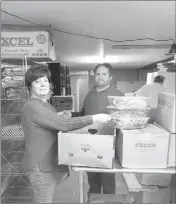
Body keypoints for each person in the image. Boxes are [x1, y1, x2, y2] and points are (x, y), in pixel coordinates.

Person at [21, 65, 111, 203]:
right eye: (37, 81)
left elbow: (52, 121)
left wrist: (60, 115)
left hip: (48, 162)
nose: (43, 84)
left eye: (45, 80)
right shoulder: (32, 105)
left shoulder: (44, 104)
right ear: (29, 86)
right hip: (40, 164)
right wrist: (94, 118)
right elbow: (62, 124)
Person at [82, 63, 124, 196]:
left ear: (110, 77)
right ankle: (94, 198)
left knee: (107, 181)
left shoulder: (118, 95)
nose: (100, 77)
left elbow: (123, 121)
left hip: (109, 144)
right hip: (90, 142)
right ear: (94, 76)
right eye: (98, 74)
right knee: (92, 180)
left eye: (104, 74)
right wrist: (71, 115)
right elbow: (85, 115)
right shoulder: (89, 95)